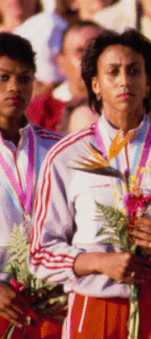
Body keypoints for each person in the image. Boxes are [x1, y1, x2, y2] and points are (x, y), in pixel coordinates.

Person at [29, 29, 151, 339]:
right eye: (112, 72)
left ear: (148, 84)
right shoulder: (66, 156)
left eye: (134, 71)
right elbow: (40, 252)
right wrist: (98, 262)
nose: (124, 80)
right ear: (95, 84)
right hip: (95, 307)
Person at [0, 33, 62, 339]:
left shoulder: (59, 150)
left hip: (52, 300)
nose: (14, 87)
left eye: (24, 78)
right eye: (3, 77)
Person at [26, 21, 103, 132]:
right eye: (80, 52)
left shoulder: (128, 104)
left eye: (98, 51)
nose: (90, 59)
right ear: (61, 63)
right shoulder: (39, 112)